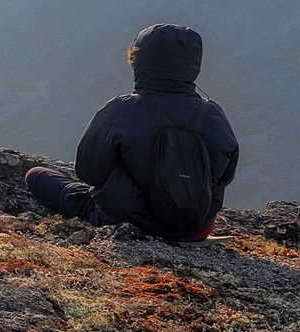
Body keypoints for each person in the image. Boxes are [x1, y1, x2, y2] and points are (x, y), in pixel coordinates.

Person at [26, 23, 239, 240]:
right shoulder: (213, 113)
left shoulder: (122, 109)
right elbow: (225, 175)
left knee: (37, 175)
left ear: (140, 61)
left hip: (130, 222)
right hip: (196, 229)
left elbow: (88, 171)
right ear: (194, 65)